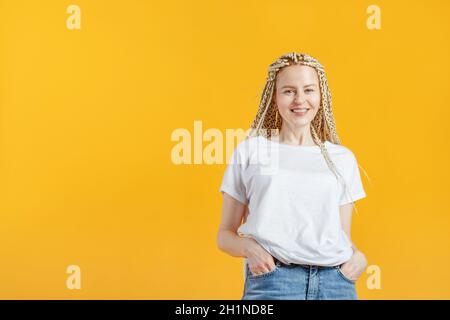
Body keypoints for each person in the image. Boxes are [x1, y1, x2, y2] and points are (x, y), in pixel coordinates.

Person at [216, 52, 368, 300]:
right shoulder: (252, 151)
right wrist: (251, 249)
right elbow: (224, 235)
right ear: (274, 98)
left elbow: (340, 236)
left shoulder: (342, 158)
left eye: (309, 90)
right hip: (274, 282)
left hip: (336, 284)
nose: (300, 99)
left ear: (321, 96)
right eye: (288, 91)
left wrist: (358, 258)